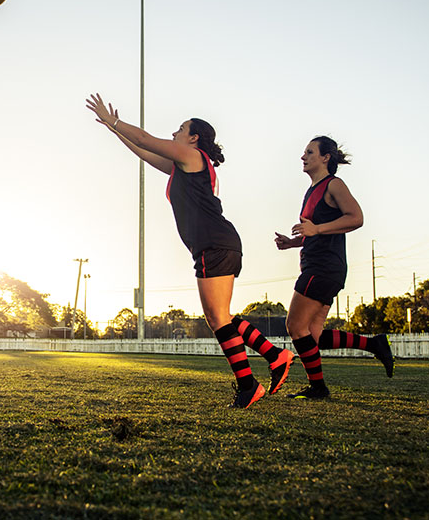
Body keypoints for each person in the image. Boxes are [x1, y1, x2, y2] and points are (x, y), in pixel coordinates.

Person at [86, 93, 294, 409]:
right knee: (221, 316)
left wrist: (114, 119)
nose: (174, 133)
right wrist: (115, 130)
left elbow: (145, 137)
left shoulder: (191, 157)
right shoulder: (183, 165)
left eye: (180, 129)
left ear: (193, 138)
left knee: (217, 319)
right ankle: (274, 356)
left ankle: (249, 383)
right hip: (217, 243)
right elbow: (143, 149)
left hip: (215, 243)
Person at [275, 136, 394, 399]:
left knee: (295, 326)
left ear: (325, 157)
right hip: (321, 264)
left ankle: (319, 387)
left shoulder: (334, 185)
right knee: (311, 337)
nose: (303, 157)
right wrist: (294, 243)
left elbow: (356, 218)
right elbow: (316, 232)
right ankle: (373, 345)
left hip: (323, 266)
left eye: (309, 152)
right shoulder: (311, 191)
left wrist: (315, 228)